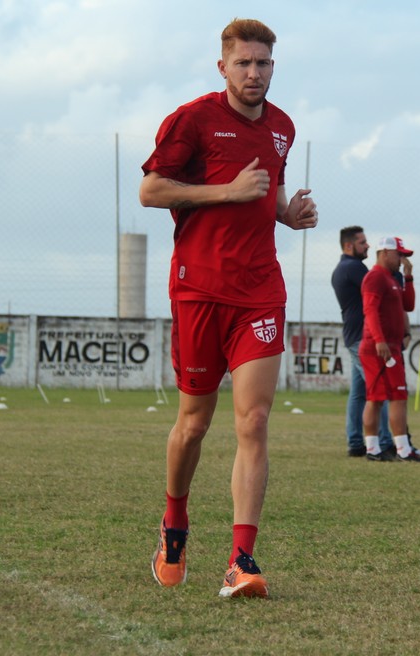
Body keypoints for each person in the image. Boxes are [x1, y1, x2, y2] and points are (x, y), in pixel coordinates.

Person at [139, 17, 318, 599]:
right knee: (193, 424)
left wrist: (285, 213)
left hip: (259, 291)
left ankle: (242, 559)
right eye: (243, 63)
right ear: (223, 67)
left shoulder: (283, 128)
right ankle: (175, 523)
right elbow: (151, 190)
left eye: (263, 63)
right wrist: (224, 192)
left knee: (256, 421)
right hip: (198, 291)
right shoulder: (191, 119)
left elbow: (264, 198)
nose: (254, 73)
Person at [360, 237, 420, 462]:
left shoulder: (391, 278)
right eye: (399, 255)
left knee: (380, 398)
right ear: (385, 253)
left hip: (389, 347)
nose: (402, 259)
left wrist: (408, 277)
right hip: (380, 348)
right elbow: (370, 310)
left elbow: (408, 305)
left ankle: (375, 449)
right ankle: (402, 450)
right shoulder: (375, 278)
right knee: (392, 396)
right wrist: (380, 340)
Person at [331, 227, 395, 458]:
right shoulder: (354, 268)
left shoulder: (343, 268)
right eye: (363, 242)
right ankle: (387, 442)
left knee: (359, 394)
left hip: (353, 337)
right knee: (380, 392)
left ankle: (356, 442)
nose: (368, 246)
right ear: (349, 246)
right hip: (363, 339)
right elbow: (382, 286)